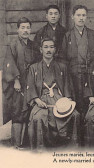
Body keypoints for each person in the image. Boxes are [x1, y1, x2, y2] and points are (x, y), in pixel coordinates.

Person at [25, 38, 80, 151]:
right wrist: (36, 100)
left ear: (55, 50)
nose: (48, 50)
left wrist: (67, 100)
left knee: (75, 115)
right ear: (41, 50)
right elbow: (30, 87)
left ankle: (71, 147)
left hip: (59, 98)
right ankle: (40, 149)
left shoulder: (62, 67)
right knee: (39, 117)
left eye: (51, 47)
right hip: (42, 98)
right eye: (45, 47)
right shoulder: (33, 68)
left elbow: (67, 86)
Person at [2, 17, 37, 148]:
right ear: (18, 29)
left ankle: (26, 143)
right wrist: (16, 80)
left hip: (30, 83)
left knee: (29, 111)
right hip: (17, 84)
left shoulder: (33, 45)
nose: (25, 30)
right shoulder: (13, 44)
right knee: (18, 112)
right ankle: (16, 143)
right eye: (22, 27)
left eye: (28, 27)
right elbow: (9, 63)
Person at [60, 5, 94, 115]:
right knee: (76, 103)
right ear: (73, 17)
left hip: (90, 74)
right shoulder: (67, 36)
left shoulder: (93, 34)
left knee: (90, 102)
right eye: (78, 15)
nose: (81, 18)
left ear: (86, 17)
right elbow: (63, 58)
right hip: (73, 75)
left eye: (83, 15)